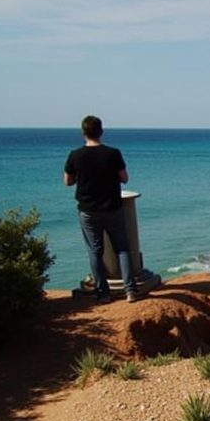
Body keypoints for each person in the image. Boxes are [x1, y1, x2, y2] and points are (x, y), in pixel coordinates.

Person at [64, 115, 141, 303]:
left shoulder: (75, 155)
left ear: (83, 133)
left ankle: (103, 293)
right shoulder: (113, 153)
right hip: (112, 208)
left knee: (95, 252)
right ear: (101, 131)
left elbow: (67, 181)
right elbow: (124, 178)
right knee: (122, 248)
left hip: (88, 210)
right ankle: (130, 290)